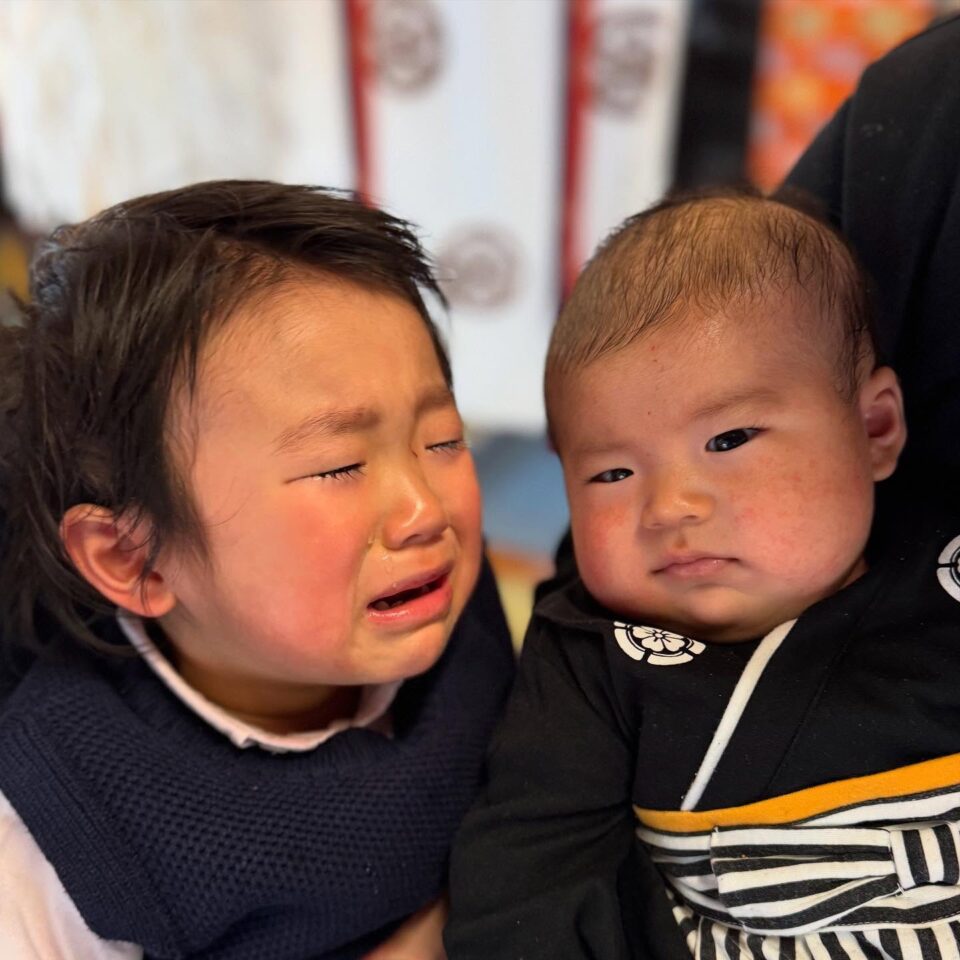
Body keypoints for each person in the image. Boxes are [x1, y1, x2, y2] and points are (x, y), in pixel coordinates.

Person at [0, 180, 515, 959]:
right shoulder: (62, 833)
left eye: (441, 439)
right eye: (339, 465)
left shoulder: (457, 624)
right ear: (133, 558)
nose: (424, 510)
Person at [445, 186, 960, 960]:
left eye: (728, 440)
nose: (670, 507)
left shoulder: (944, 571)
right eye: (612, 475)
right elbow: (528, 885)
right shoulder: (593, 656)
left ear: (874, 428)